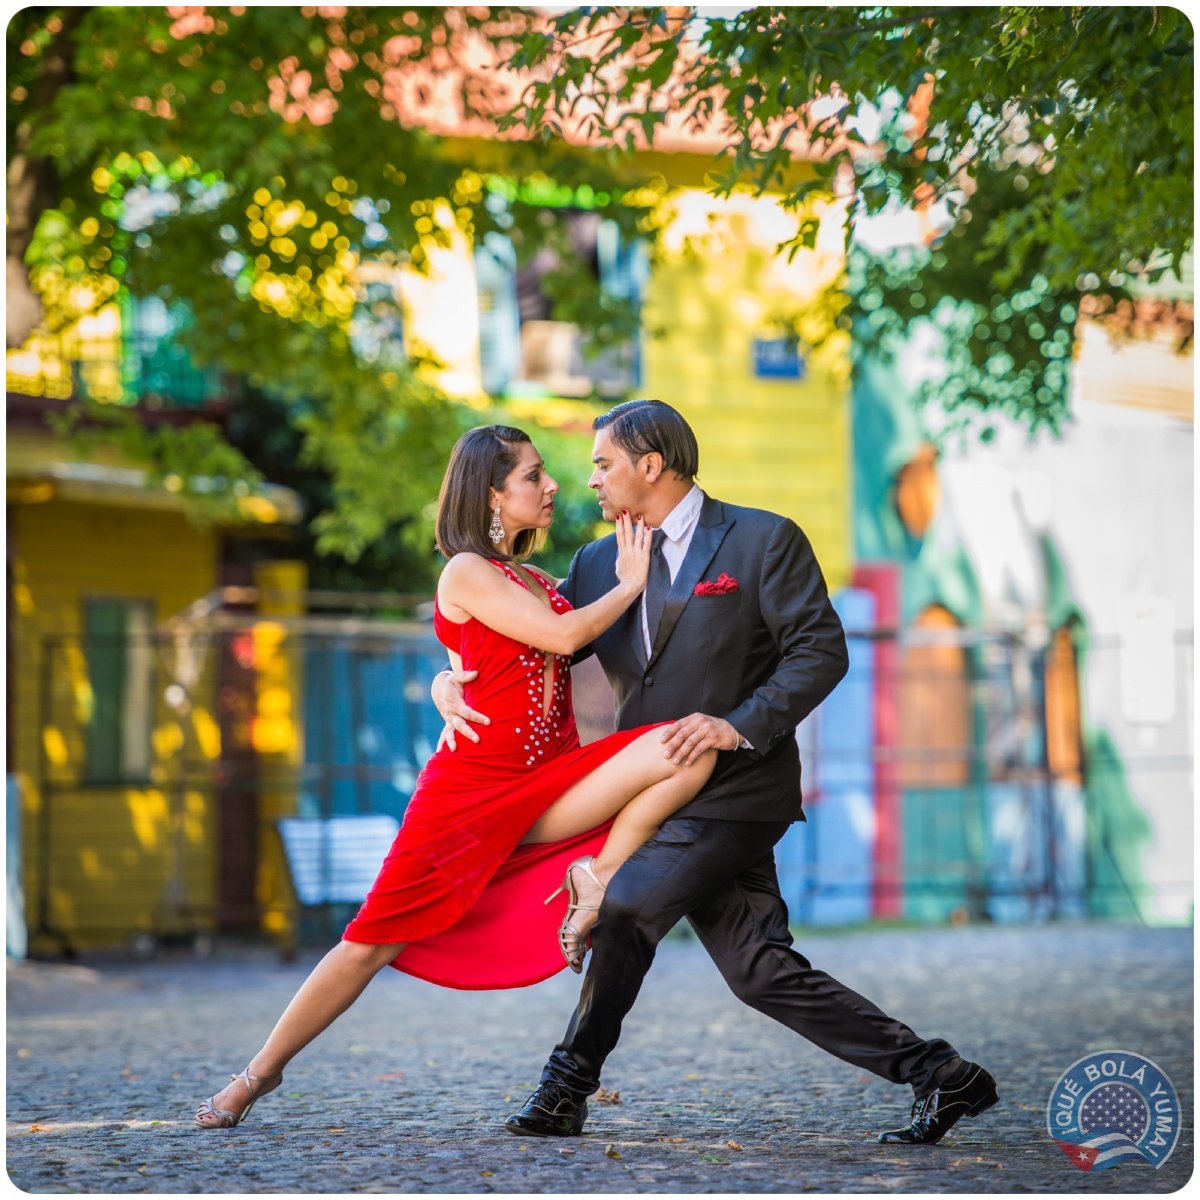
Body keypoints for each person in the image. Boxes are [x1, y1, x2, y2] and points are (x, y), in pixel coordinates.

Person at [434, 399, 997, 1146]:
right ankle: (945, 1076)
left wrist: (737, 725)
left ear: (651, 465)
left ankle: (563, 1088)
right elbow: (530, 648)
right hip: (654, 795)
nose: (591, 480)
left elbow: (821, 651)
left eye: (604, 464)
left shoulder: (764, 540)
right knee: (759, 969)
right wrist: (450, 679)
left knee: (627, 905)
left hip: (740, 790)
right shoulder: (599, 563)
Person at [193, 424, 717, 1130]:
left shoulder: (531, 578)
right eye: (534, 475)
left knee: (691, 748)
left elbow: (494, 648)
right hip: (469, 796)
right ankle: (258, 1075)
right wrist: (629, 585)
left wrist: (448, 676)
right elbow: (563, 637)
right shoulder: (464, 570)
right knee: (368, 944)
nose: (553, 484)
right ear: (492, 495)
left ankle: (594, 878)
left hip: (551, 782)